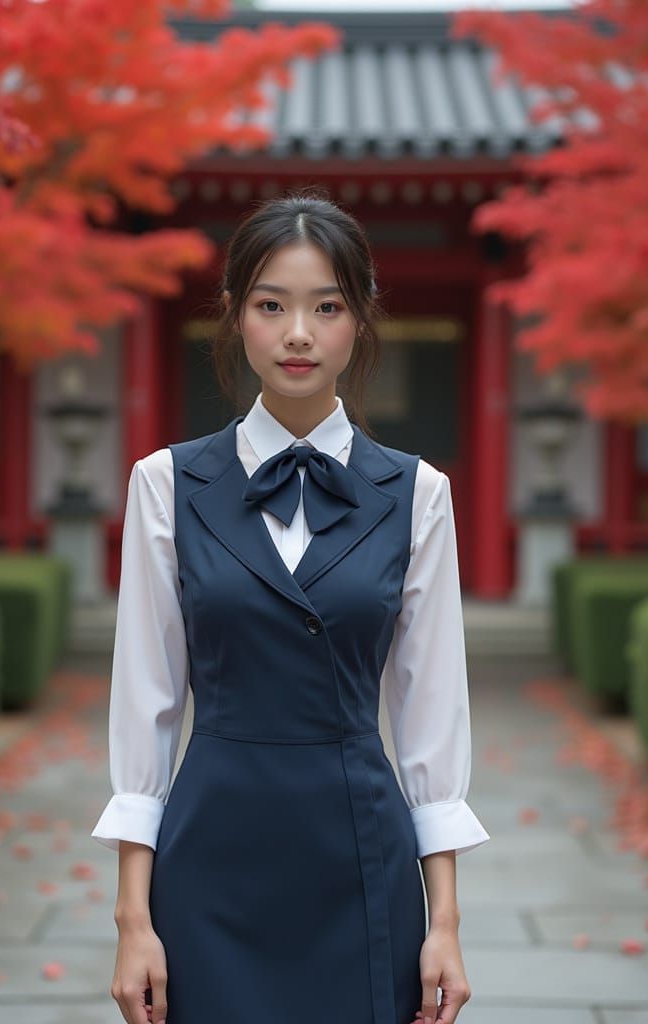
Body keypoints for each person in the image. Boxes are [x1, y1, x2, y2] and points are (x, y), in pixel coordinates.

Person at [91, 190, 490, 1024]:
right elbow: (146, 712)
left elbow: (429, 719)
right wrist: (133, 919)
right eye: (272, 305)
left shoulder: (419, 494)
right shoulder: (166, 484)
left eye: (327, 306)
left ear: (360, 319)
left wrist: (444, 921)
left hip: (358, 854)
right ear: (235, 316)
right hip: (209, 861)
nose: (299, 332)